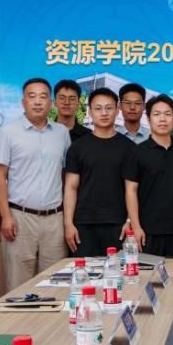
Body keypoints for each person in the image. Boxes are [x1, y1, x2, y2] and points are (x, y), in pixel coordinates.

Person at [0, 78, 71, 291]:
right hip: (20, 218)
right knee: (19, 285)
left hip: (55, 219)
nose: (38, 102)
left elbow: (66, 175)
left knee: (56, 284)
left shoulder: (62, 133)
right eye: (32, 96)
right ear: (23, 102)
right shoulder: (7, 132)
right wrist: (6, 216)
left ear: (51, 103)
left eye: (43, 96)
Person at [63, 88, 138, 257]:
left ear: (117, 110)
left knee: (118, 271)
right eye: (98, 108)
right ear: (90, 112)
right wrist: (68, 223)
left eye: (109, 108)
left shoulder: (129, 148)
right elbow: (71, 187)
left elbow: (132, 189)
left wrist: (129, 220)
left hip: (118, 225)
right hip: (83, 224)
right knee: (85, 271)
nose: (104, 113)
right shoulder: (77, 148)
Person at [124, 95, 173, 257]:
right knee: (148, 272)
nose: (162, 119)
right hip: (148, 231)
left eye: (167, 114)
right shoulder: (137, 152)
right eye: (157, 114)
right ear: (148, 119)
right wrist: (136, 226)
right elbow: (131, 191)